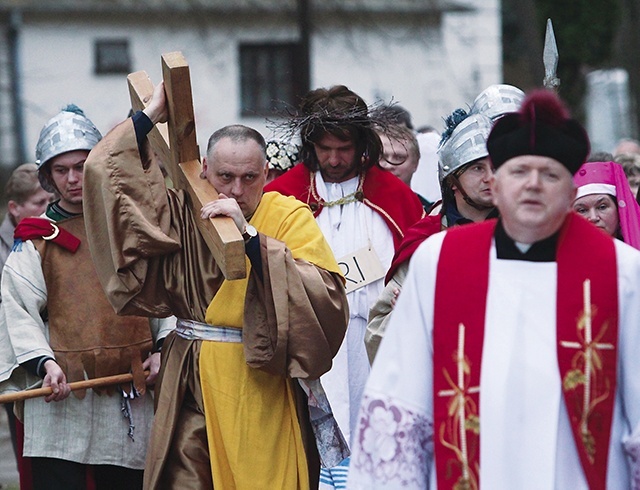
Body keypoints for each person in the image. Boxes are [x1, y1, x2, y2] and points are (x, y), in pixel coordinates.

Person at [348, 90, 640, 489]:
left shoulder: (623, 273)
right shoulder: (438, 262)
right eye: (519, 172)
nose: (533, 185)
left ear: (571, 194)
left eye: (550, 174)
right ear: (496, 186)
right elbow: (400, 409)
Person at [82, 82, 349, 489]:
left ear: (267, 174)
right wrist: (148, 116)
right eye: (225, 176)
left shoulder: (288, 215)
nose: (237, 191)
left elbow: (326, 295)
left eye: (249, 177)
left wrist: (253, 241)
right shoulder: (181, 211)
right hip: (192, 377)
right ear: (204, 168)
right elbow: (110, 178)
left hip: (259, 382)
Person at [0, 106, 174, 490]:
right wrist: (44, 363)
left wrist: (164, 348)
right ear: (47, 175)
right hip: (62, 393)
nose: (73, 179)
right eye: (61, 171)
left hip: (128, 388)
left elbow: (164, 292)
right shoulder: (36, 238)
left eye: (81, 166)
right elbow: (18, 308)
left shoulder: (129, 227)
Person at [265, 85, 425, 488]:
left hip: (377, 350)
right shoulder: (281, 198)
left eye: (344, 148)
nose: (334, 159)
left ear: (362, 145)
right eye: (324, 148)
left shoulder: (398, 200)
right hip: (311, 353)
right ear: (310, 145)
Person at [365, 110, 496, 362]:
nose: (489, 177)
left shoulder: (520, 235)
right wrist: (410, 313)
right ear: (453, 180)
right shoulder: (427, 240)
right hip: (440, 381)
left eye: (495, 167)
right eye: (477, 168)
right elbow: (377, 334)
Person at [0, 163, 53, 484]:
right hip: (13, 360)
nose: (48, 209)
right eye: (39, 203)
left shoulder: (51, 234)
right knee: (27, 451)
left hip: (51, 356)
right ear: (15, 209)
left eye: (51, 200)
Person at [573, 160, 640, 249]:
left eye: (602, 207)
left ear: (619, 209)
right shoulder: (557, 260)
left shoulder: (633, 257)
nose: (593, 217)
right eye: (582, 210)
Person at [376, 124, 431, 209]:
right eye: (382, 157)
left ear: (415, 163)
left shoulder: (428, 214)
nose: (389, 165)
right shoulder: (356, 209)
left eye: (399, 158)